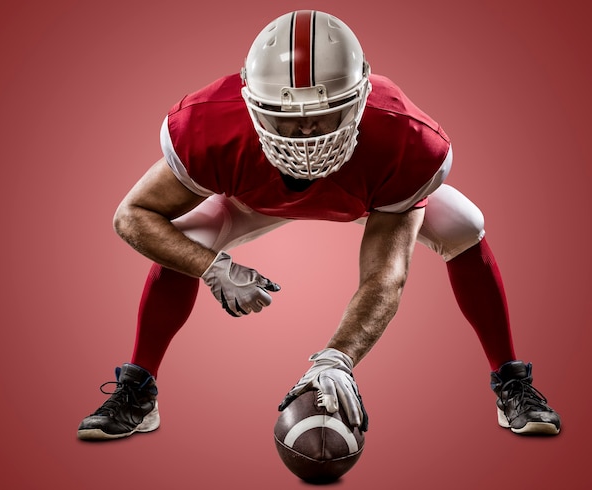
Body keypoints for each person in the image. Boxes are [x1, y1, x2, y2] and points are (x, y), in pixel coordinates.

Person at [77, 10, 560, 441]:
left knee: (464, 224)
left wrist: (338, 360)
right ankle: (138, 390)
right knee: (186, 240)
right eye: (286, 117)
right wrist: (212, 267)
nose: (308, 132)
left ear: (362, 95)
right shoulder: (209, 126)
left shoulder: (405, 140)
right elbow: (132, 215)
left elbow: (383, 277)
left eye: (328, 113)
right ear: (249, 103)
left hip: (369, 198)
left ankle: (511, 380)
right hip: (249, 198)